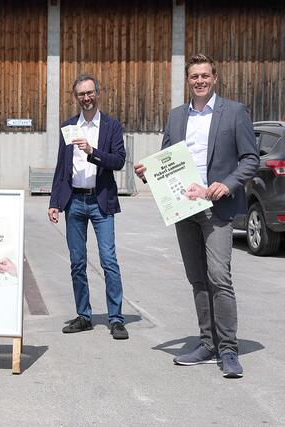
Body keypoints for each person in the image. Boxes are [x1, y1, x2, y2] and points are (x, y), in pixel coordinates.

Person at [134, 54, 259, 378]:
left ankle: (228, 350)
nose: (200, 81)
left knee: (219, 277)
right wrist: (148, 173)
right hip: (184, 209)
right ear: (187, 81)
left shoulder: (234, 112)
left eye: (205, 75)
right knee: (197, 279)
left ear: (214, 78)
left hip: (216, 209)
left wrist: (227, 185)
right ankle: (207, 343)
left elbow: (250, 159)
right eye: (194, 77)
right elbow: (164, 161)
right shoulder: (176, 117)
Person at [48, 75, 129, 340]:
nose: (86, 98)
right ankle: (84, 315)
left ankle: (116, 318)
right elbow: (62, 166)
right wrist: (55, 203)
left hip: (100, 201)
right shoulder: (69, 126)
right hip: (75, 202)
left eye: (90, 92)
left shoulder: (111, 126)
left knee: (109, 260)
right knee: (77, 262)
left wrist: (92, 151)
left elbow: (118, 161)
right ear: (76, 97)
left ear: (97, 93)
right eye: (81, 94)